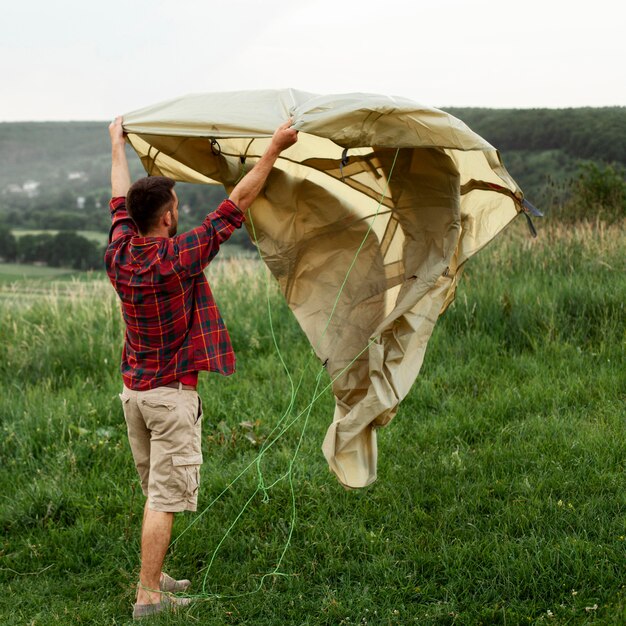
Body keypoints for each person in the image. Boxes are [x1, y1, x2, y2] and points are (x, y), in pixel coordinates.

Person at [105, 116, 298, 619]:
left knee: (154, 491)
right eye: (175, 207)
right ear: (167, 217)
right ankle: (149, 597)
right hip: (169, 398)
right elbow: (234, 209)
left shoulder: (119, 254)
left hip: (135, 396)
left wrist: (115, 144)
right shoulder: (176, 258)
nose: (179, 212)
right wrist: (274, 148)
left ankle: (156, 574)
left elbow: (118, 198)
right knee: (164, 499)